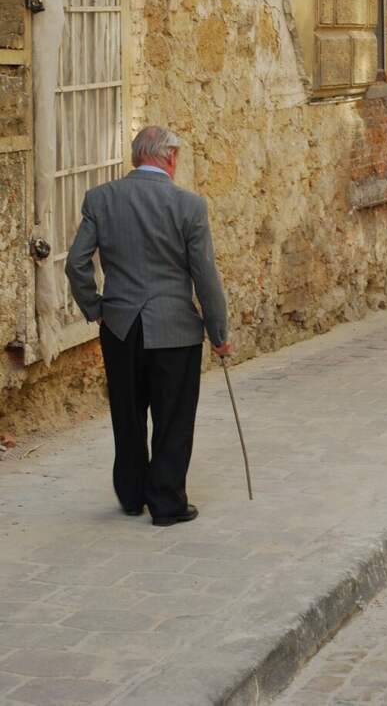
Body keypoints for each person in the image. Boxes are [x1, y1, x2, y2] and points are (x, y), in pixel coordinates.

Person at [65, 126, 230, 526]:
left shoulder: (101, 199)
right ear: (169, 157)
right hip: (174, 328)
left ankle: (131, 494)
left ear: (138, 156)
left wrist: (96, 307)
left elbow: (76, 264)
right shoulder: (189, 205)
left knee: (127, 412)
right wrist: (219, 334)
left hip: (120, 328)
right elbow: (204, 276)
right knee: (173, 417)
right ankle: (167, 503)